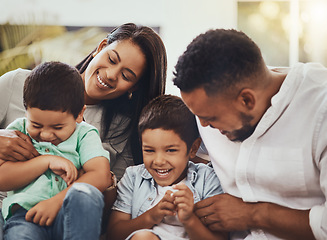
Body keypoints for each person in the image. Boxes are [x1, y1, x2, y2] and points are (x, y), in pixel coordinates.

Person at [0, 22, 167, 237]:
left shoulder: (124, 130)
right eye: (111, 59)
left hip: (69, 220)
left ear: (134, 87)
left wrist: (95, 180)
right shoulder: (18, 83)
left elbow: (111, 206)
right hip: (13, 211)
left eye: (126, 76)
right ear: (101, 47)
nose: (111, 75)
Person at [173, 28, 326, 240]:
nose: (203, 125)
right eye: (197, 115)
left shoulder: (320, 110)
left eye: (210, 117)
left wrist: (254, 215)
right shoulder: (213, 102)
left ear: (247, 100)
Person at [0, 61, 111, 239]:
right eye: (36, 124)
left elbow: (101, 175)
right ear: (26, 111)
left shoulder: (84, 134)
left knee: (85, 195)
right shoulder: (18, 131)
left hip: (69, 214)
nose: (45, 134)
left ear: (79, 115)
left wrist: (56, 202)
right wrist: (45, 161)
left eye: (58, 127)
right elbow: (2, 179)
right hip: (26, 216)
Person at [107, 95, 227, 240]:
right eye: (149, 150)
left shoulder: (207, 179)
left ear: (193, 148)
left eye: (170, 150)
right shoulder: (133, 178)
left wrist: (189, 219)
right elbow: (114, 234)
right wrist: (152, 216)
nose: (158, 161)